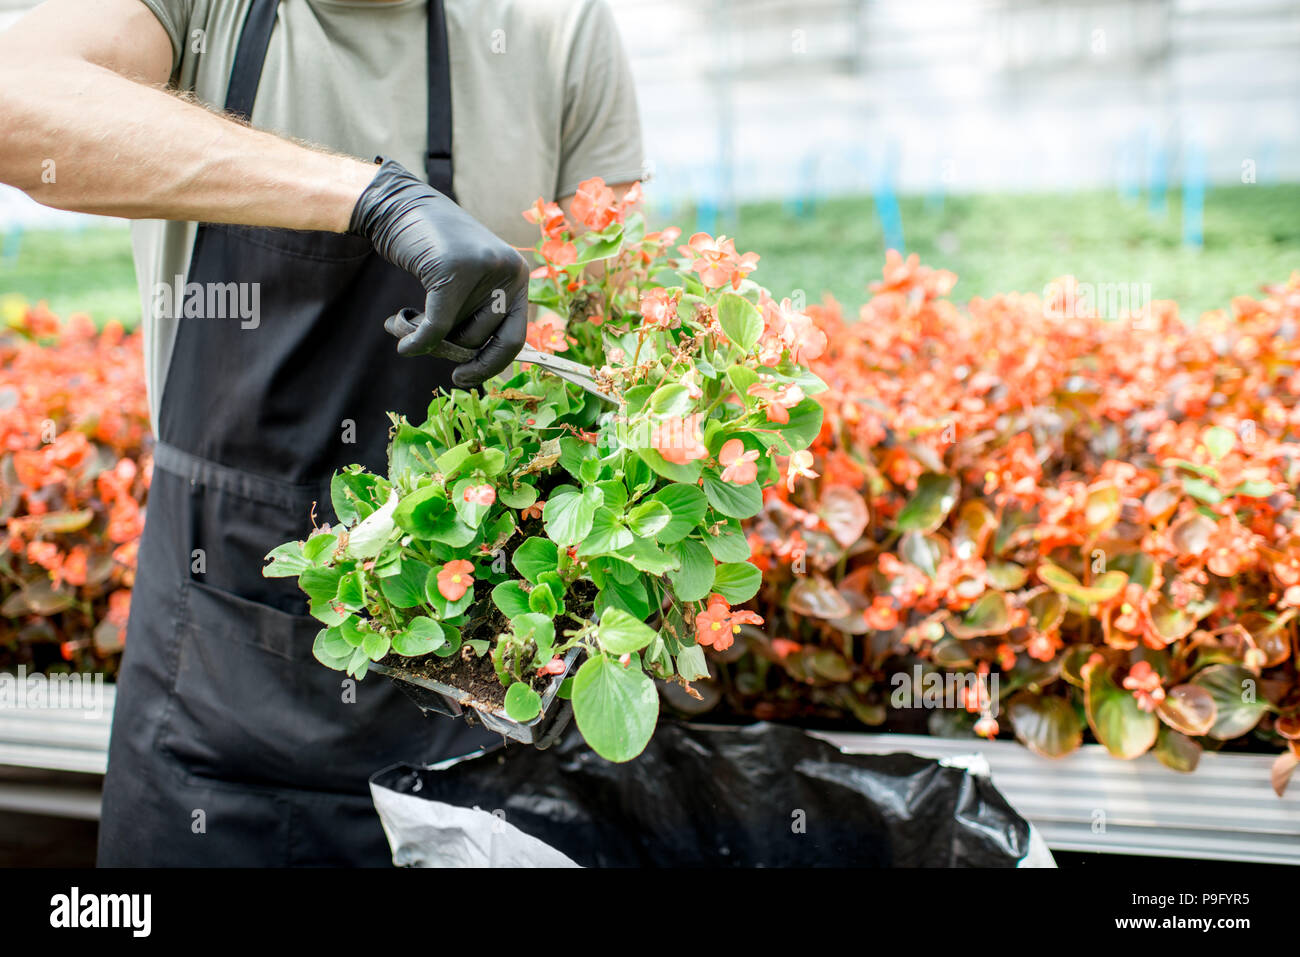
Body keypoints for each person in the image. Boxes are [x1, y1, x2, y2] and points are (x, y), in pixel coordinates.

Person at [0, 0, 643, 866]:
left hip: (473, 736)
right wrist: (371, 198)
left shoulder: (551, 26)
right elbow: (14, 97)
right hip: (216, 716)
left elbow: (611, 325)